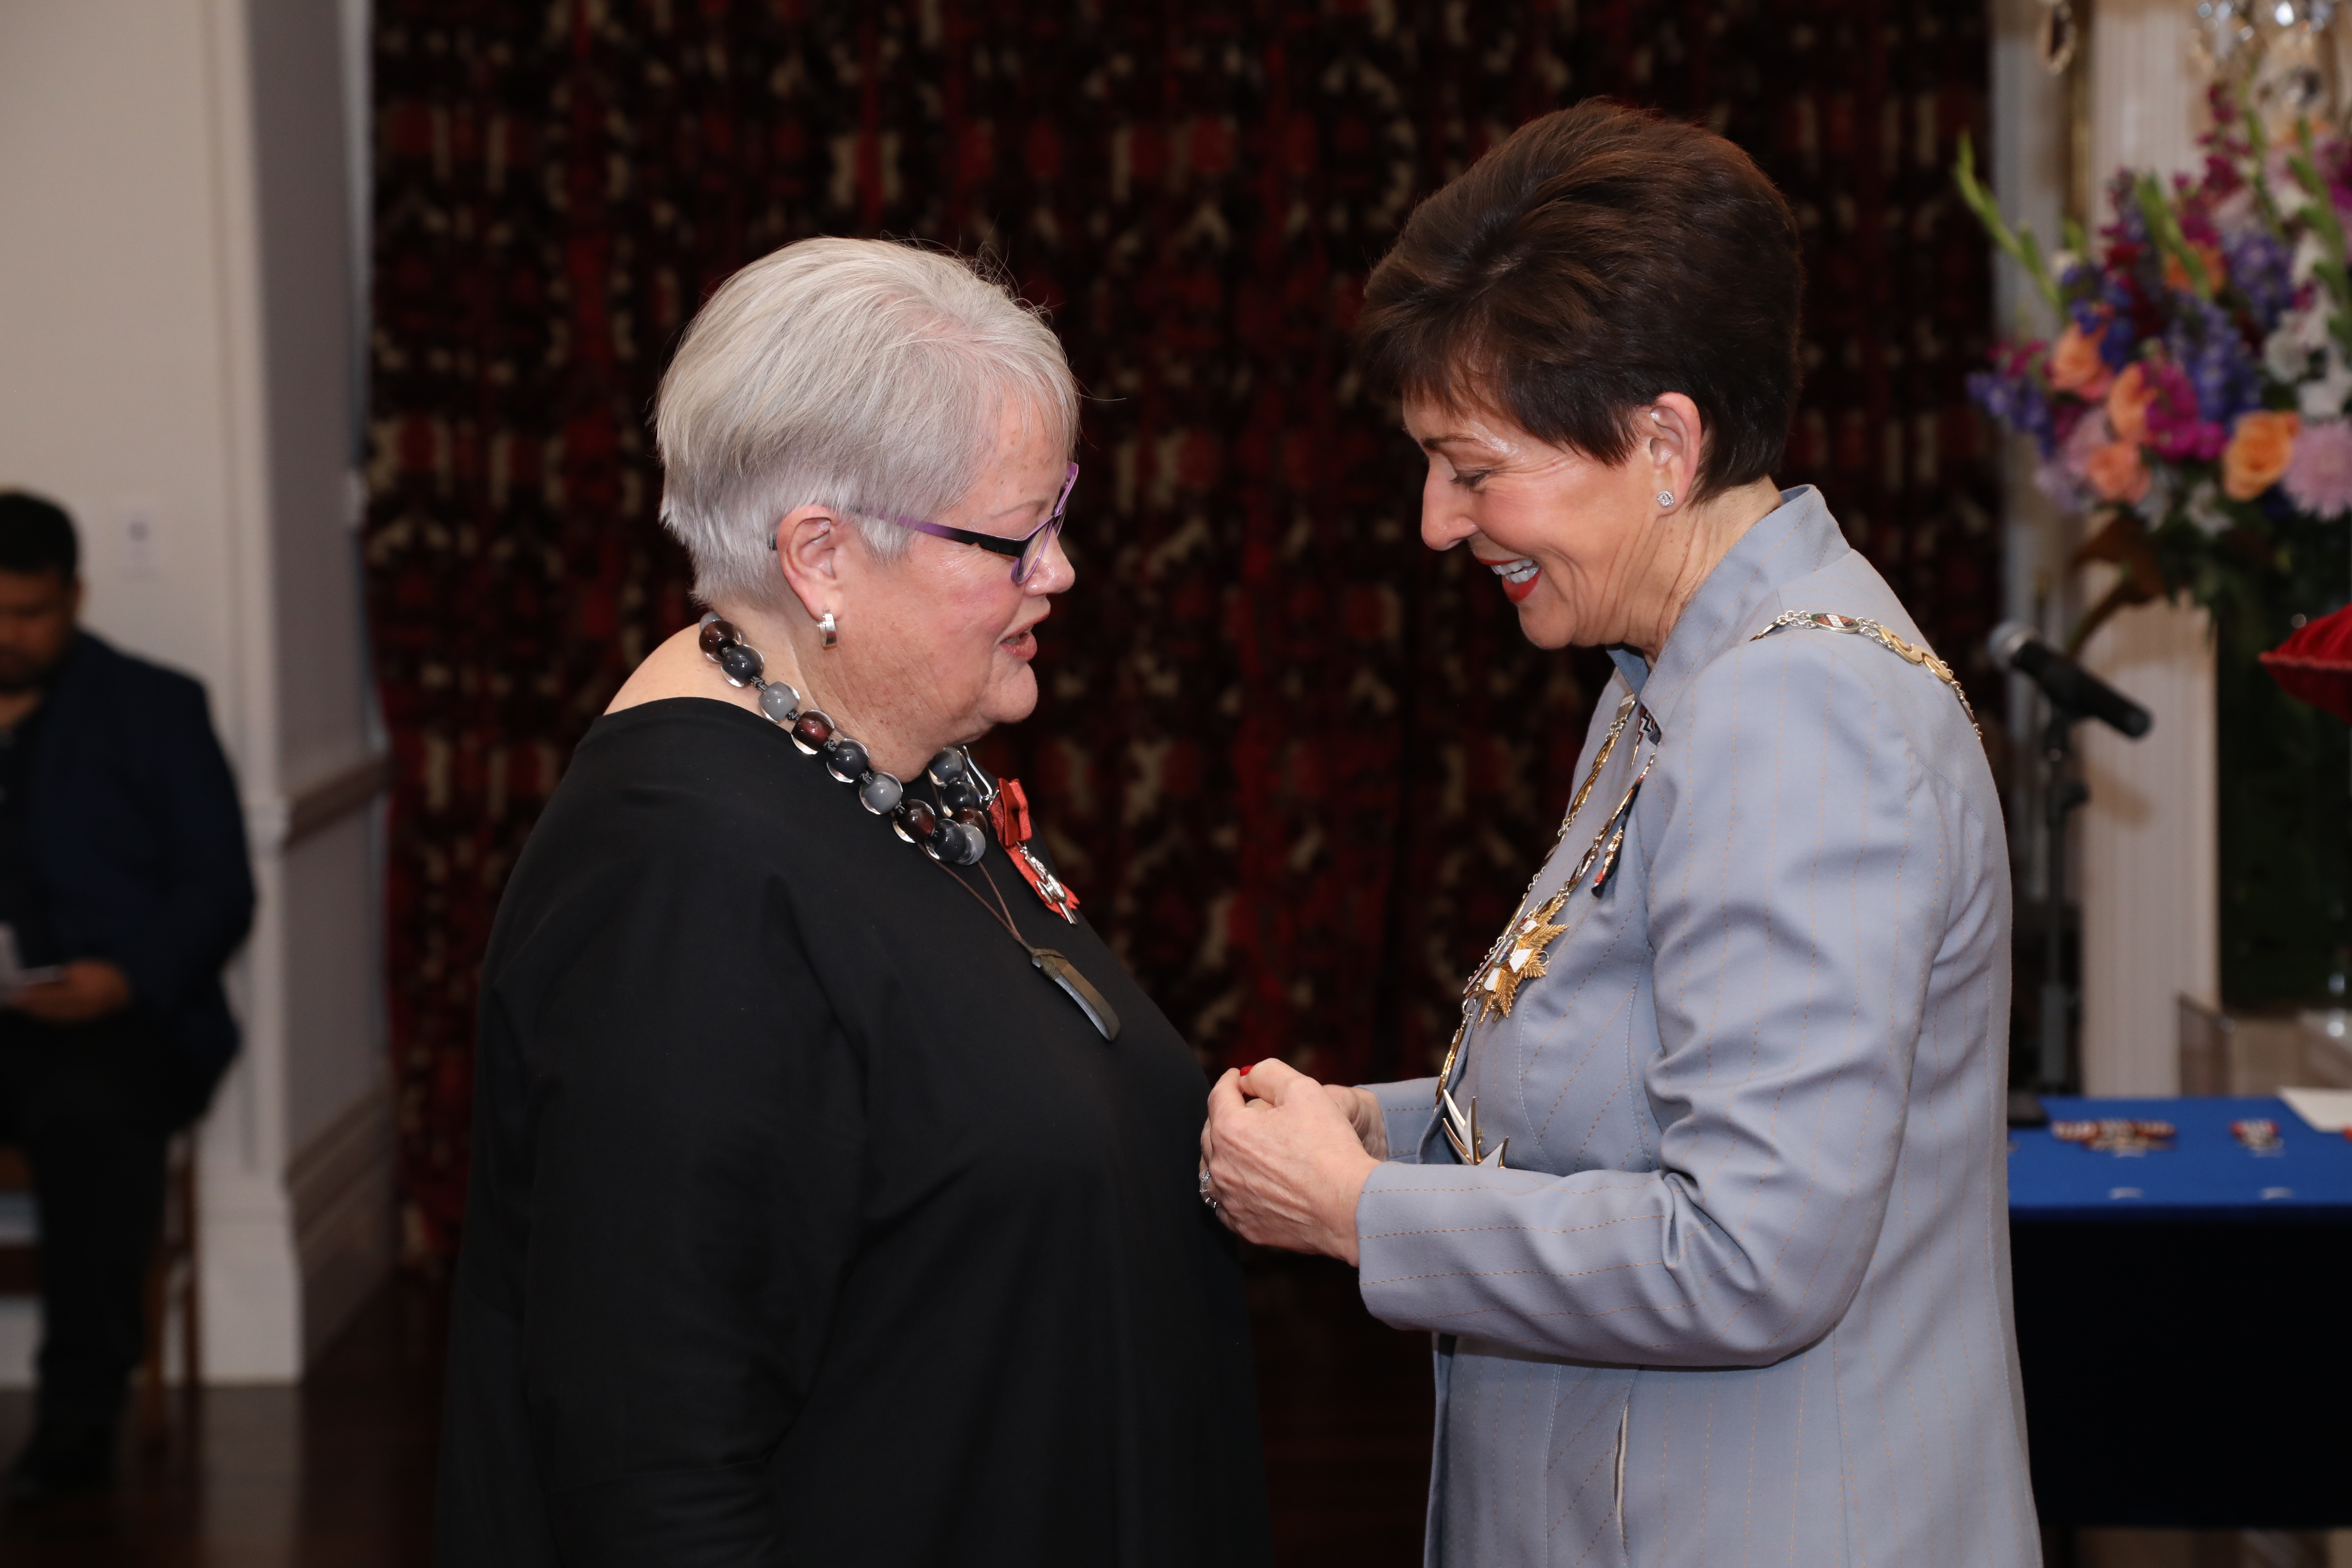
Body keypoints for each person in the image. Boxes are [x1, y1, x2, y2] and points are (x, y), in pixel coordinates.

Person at [1199, 102, 2039, 1566]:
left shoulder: (1800, 715)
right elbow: (1636, 1080)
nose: (1437, 524)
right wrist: (1381, 1129)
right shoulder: (1679, 670)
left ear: (1664, 441)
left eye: (1474, 468)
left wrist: (1369, 1216)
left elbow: (1747, 1255)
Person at [435, 238, 1272, 1567]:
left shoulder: (887, 764)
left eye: (1057, 514)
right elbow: (656, 1468)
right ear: (820, 555)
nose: (1059, 570)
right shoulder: (683, 888)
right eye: (1018, 535)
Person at [0, 491, 254, 1502]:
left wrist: (126, 977)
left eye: (29, 614)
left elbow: (218, 888)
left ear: (76, 598)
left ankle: (77, 1416)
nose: (8, 638)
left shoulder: (153, 708)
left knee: (96, 1116)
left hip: (131, 1020)